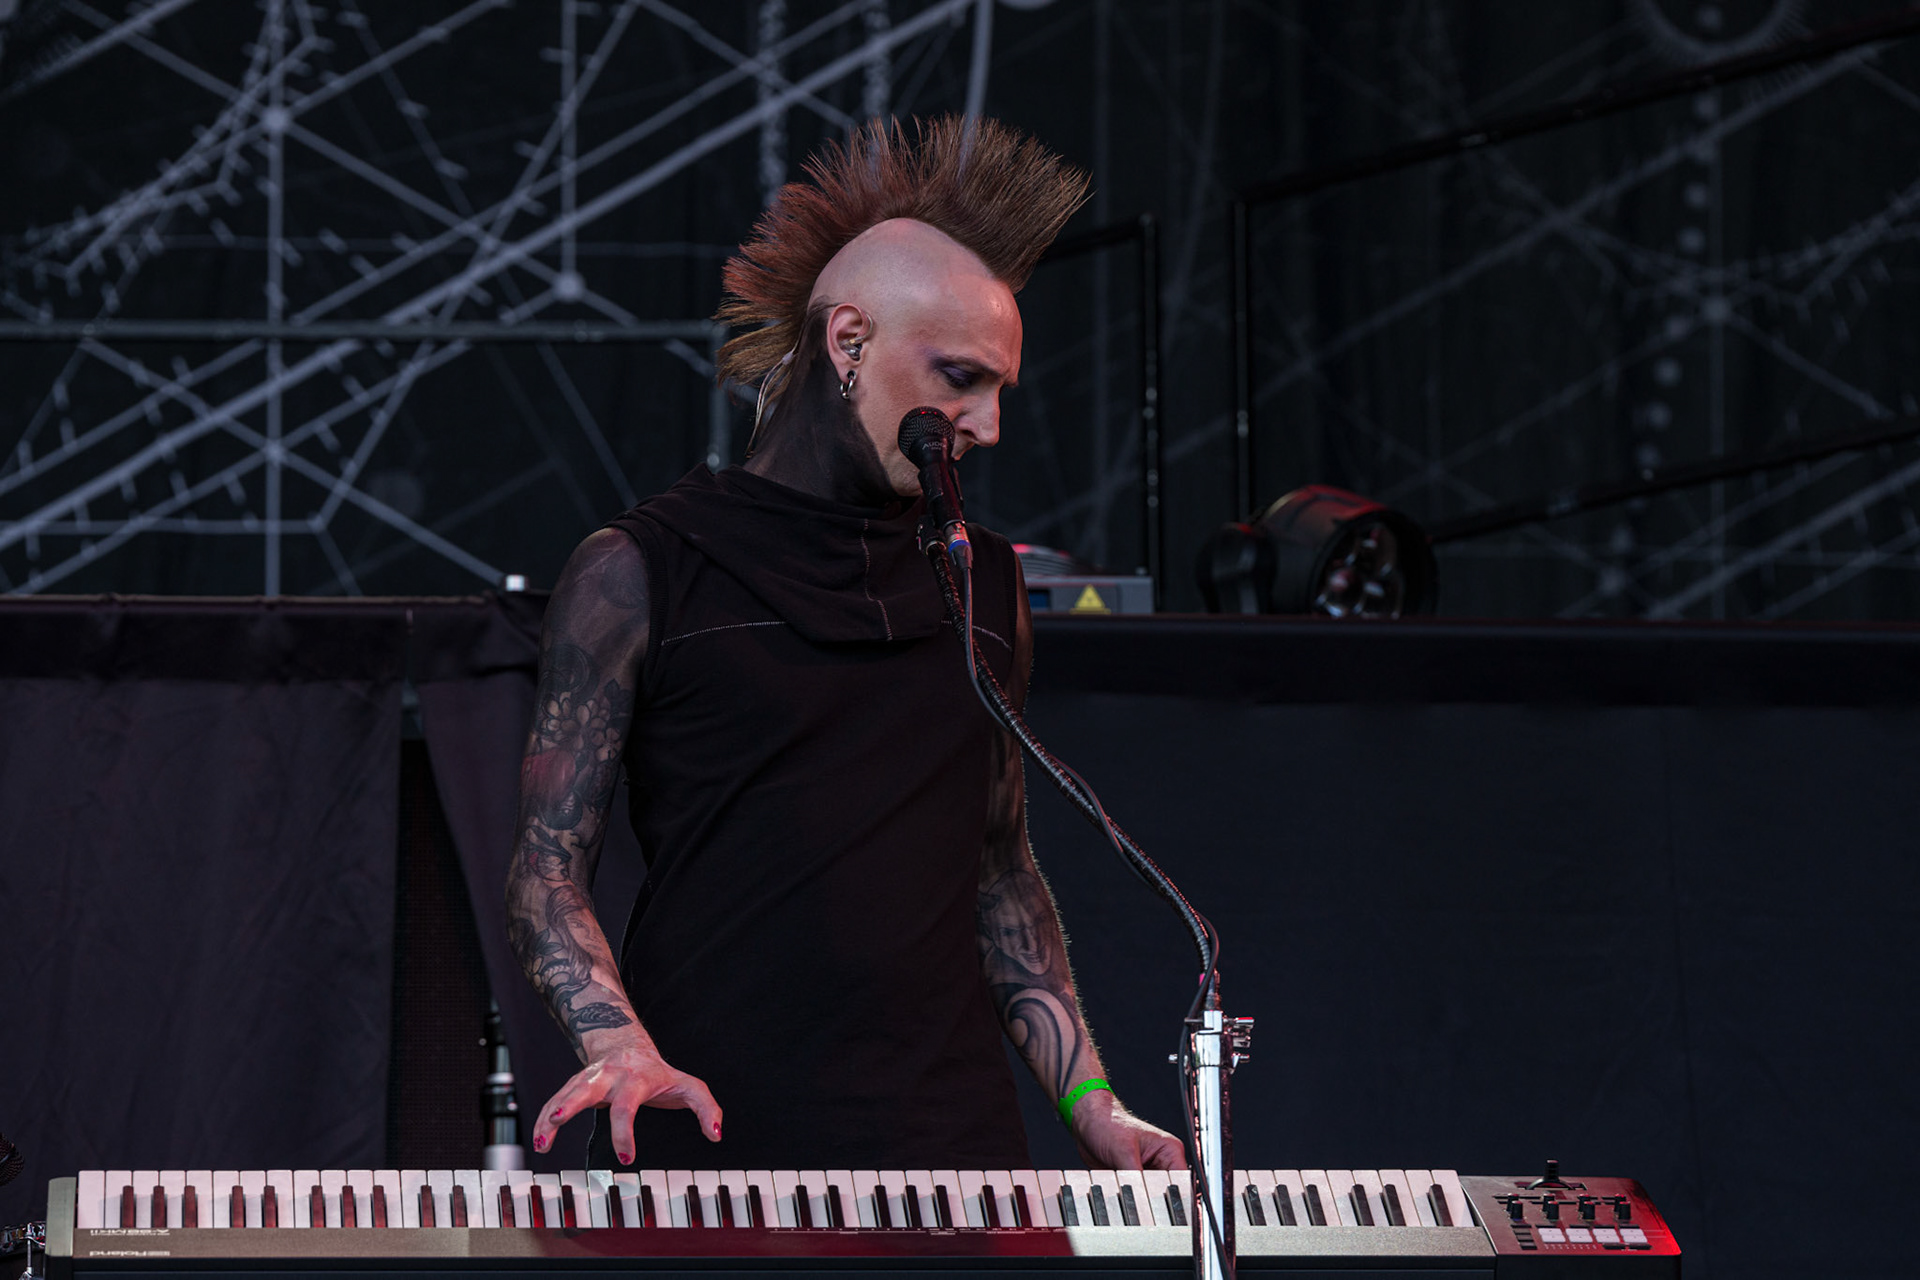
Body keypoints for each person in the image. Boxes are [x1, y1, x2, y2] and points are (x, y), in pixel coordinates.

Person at [503, 115, 1184, 1175]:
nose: (988, 423)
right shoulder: (642, 568)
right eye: (961, 377)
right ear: (849, 341)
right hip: (714, 1140)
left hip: (952, 1158)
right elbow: (546, 868)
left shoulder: (984, 582)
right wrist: (617, 1044)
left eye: (1000, 387)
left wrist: (1094, 1103)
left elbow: (1001, 870)